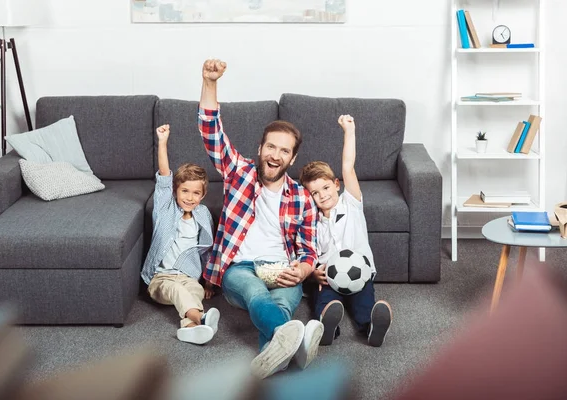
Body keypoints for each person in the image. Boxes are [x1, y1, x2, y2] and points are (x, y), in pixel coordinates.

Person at [198, 59, 323, 379]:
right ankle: (300, 342)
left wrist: (302, 270)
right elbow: (212, 131)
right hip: (240, 268)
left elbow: (309, 249)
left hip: (283, 268)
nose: (275, 155)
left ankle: (275, 360)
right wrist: (210, 83)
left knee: (280, 306)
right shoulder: (239, 173)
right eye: (271, 146)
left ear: (292, 158)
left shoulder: (302, 199)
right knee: (256, 294)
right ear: (260, 147)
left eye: (284, 151)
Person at [299, 114, 392, 347]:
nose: (323, 195)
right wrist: (313, 273)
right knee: (326, 300)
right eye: (315, 193)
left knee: (363, 301)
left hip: (360, 274)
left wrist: (348, 131)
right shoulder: (311, 222)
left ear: (337, 185)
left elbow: (348, 166)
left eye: (326, 187)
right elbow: (306, 254)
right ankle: (326, 327)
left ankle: (371, 327)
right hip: (328, 277)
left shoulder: (350, 204)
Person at [141, 123, 219, 345]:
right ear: (175, 191)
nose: (190, 197)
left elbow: (206, 252)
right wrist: (162, 142)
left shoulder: (203, 215)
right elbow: (164, 176)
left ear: (203, 195)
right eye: (185, 191)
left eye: (196, 193)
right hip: (161, 279)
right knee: (176, 289)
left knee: (192, 293)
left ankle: (191, 328)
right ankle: (202, 318)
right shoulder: (166, 208)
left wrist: (208, 284)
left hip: (189, 278)